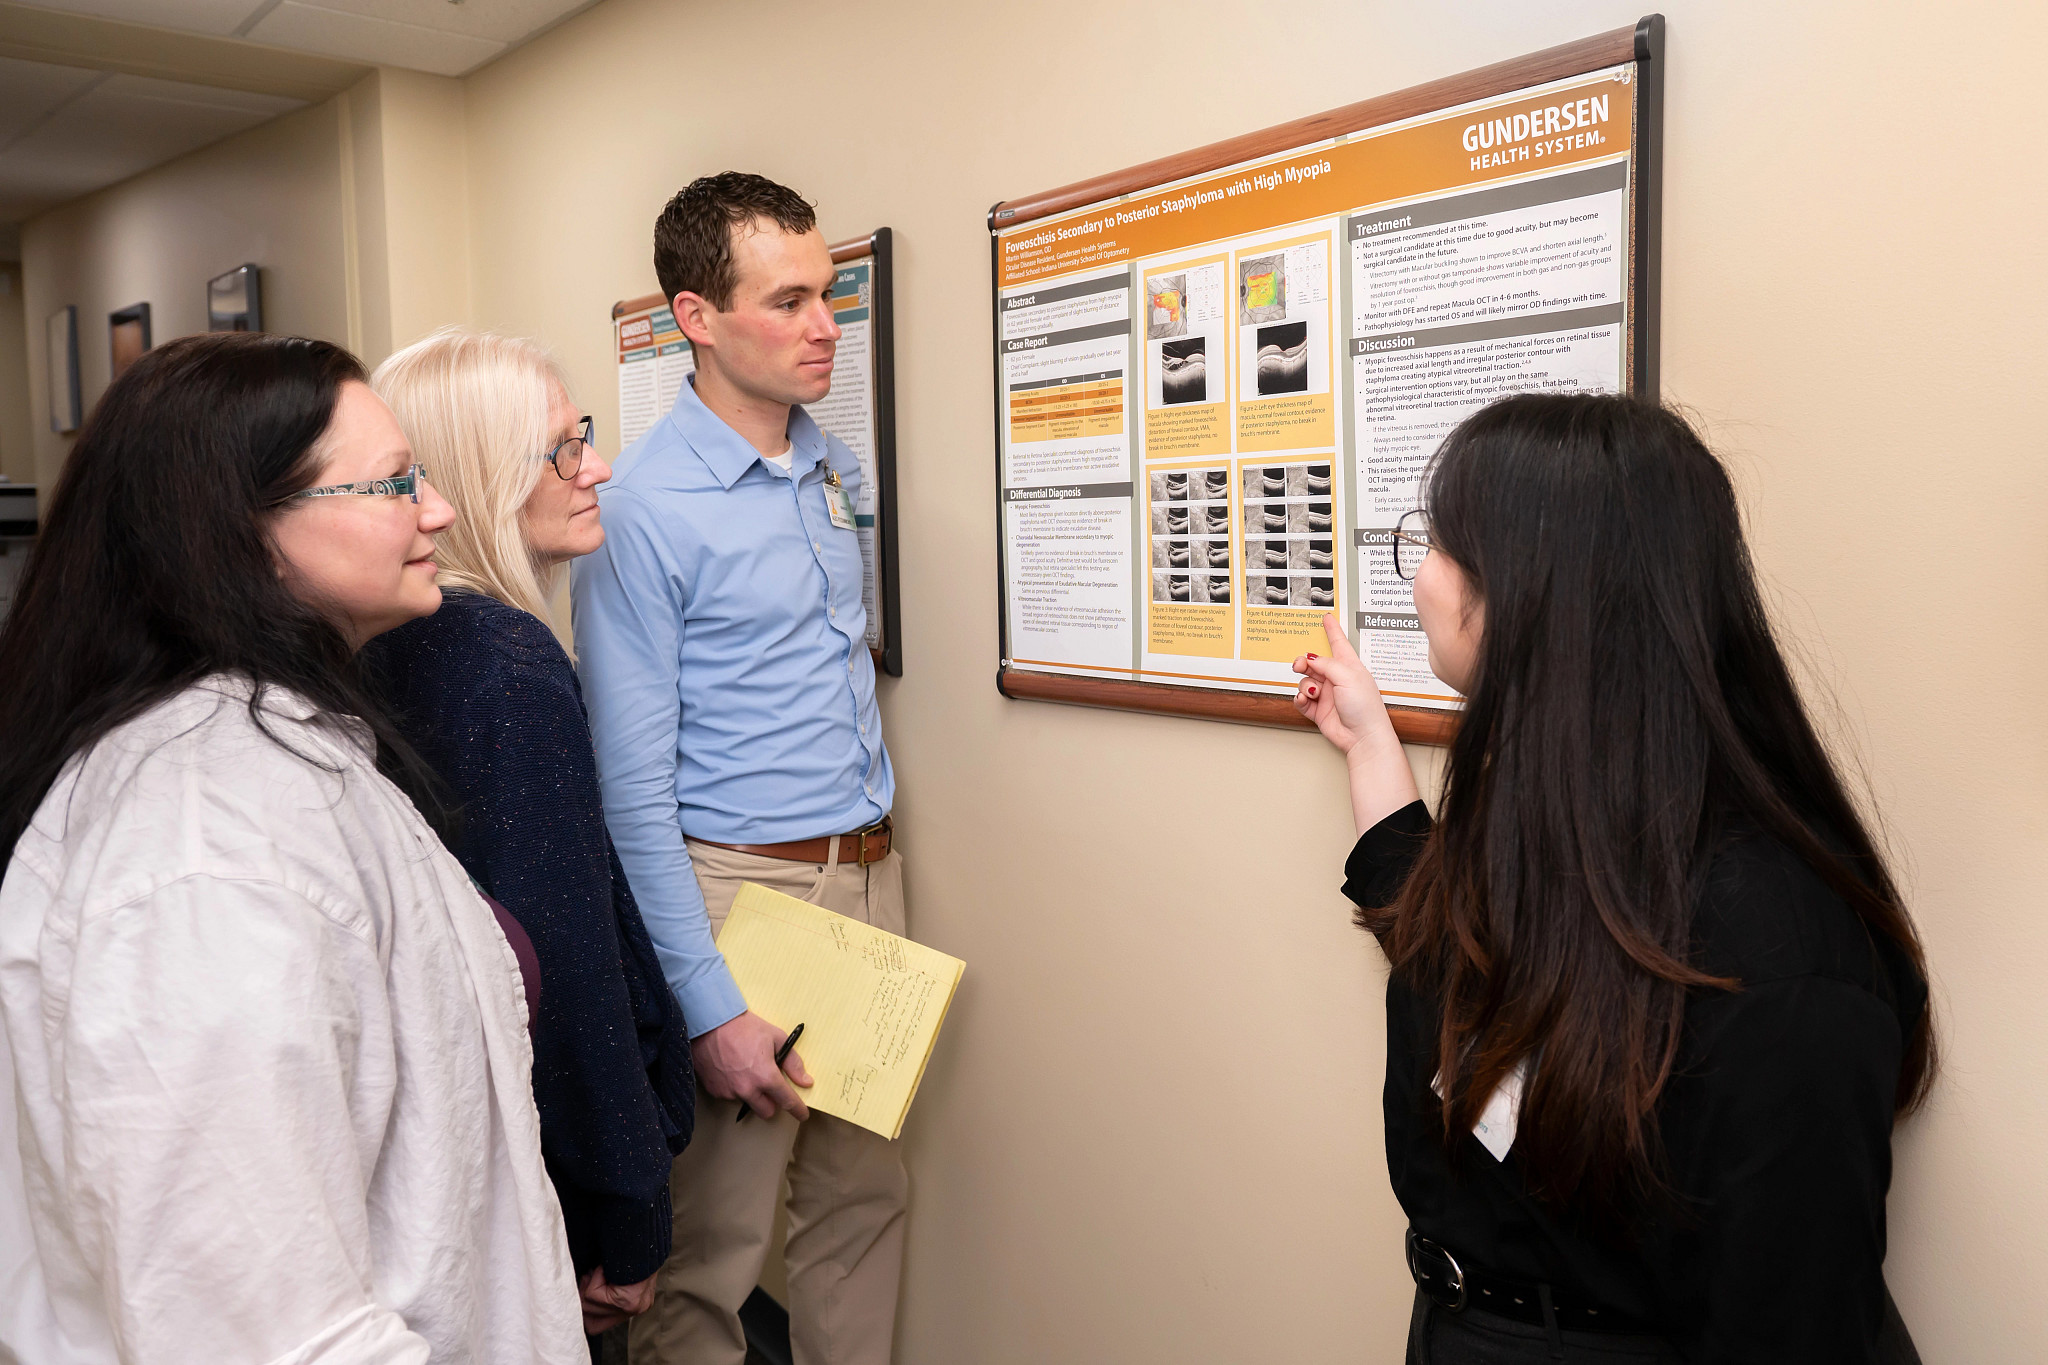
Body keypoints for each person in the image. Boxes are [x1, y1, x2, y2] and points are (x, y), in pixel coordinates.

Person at [1293, 393, 1933, 1364]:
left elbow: (1791, 1327)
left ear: (1531, 591)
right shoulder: (1558, 834)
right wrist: (1367, 746)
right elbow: (1450, 945)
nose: (1418, 577)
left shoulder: (1778, 955)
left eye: (1438, 542)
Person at [0, 332, 586, 1362]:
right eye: (396, 482)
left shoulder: (280, 763)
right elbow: (259, 1328)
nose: (437, 511)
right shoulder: (206, 852)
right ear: (242, 534)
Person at [571, 172, 906, 1365]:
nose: (824, 326)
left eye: (828, 294)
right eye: (788, 299)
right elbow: (627, 791)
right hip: (738, 899)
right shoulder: (642, 512)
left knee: (863, 1209)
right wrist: (707, 1003)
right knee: (709, 1254)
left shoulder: (826, 469)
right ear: (694, 319)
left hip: (867, 877)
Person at [362, 329, 697, 1355]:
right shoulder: (504, 667)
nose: (594, 466)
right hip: (549, 1183)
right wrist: (626, 1211)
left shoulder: (407, 642)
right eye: (561, 448)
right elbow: (562, 968)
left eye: (584, 436)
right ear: (481, 478)